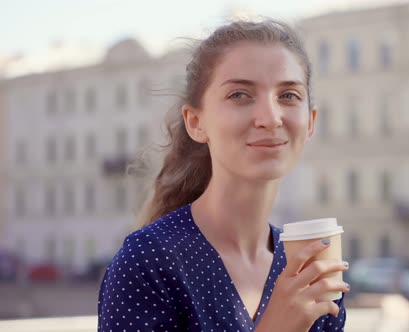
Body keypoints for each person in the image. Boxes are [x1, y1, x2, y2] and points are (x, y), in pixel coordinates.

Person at [98, 19, 350, 332]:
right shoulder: (148, 261)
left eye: (288, 95)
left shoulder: (310, 269)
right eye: (240, 95)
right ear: (195, 122)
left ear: (310, 122)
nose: (270, 118)